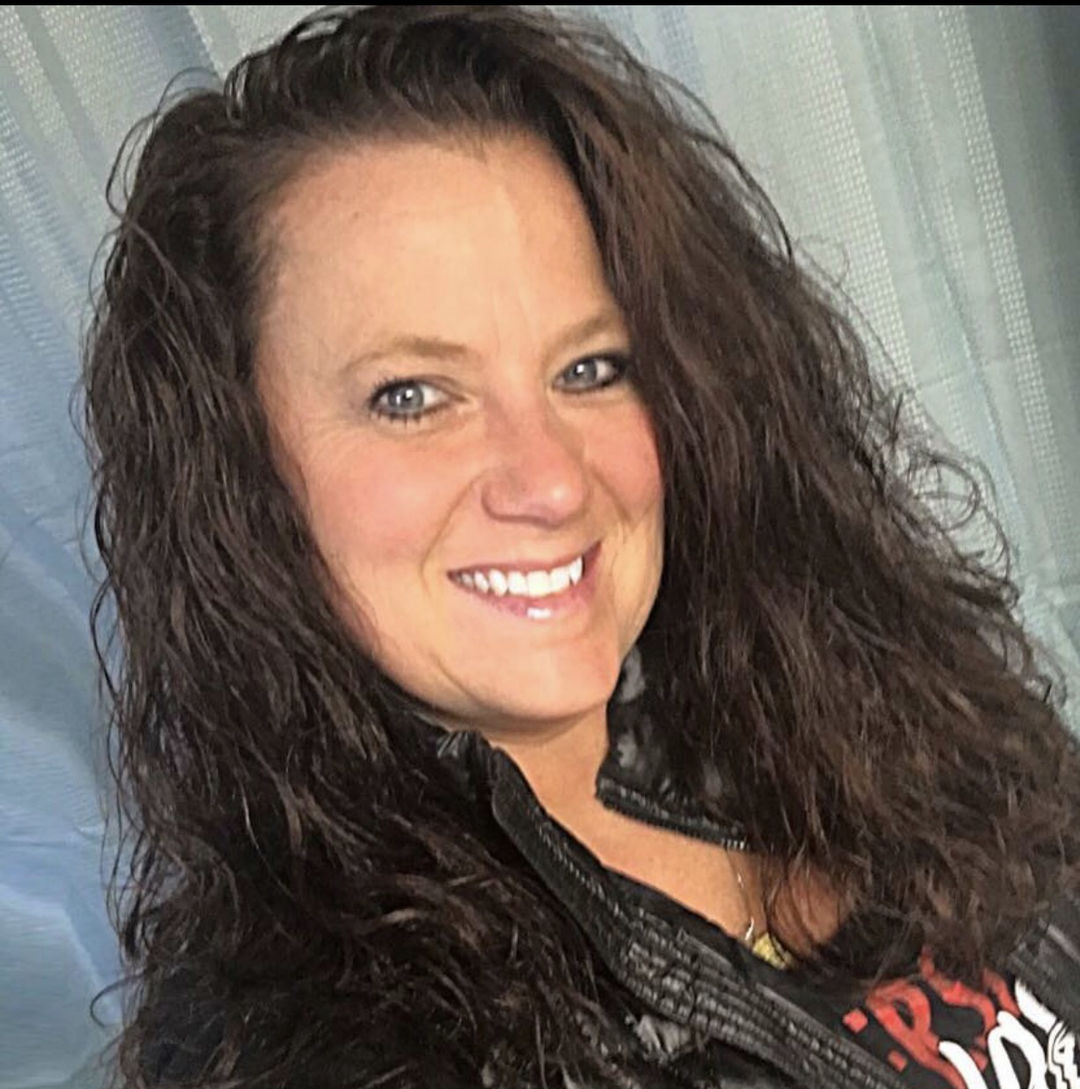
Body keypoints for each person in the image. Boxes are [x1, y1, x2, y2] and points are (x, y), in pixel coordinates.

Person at [81, 6, 1080, 1088]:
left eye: (591, 369)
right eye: (412, 396)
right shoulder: (304, 1037)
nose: (551, 480)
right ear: (238, 468)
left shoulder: (838, 701)